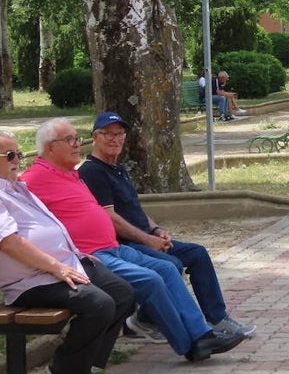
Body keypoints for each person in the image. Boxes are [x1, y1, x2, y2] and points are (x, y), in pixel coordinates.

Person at [22, 118, 248, 362]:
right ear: (49, 147)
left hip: (113, 247)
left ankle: (202, 334)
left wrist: (155, 229)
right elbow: (14, 206)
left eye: (76, 138)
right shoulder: (35, 178)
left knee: (167, 268)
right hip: (91, 255)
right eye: (69, 140)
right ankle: (192, 345)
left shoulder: (71, 174)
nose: (77, 144)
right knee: (152, 278)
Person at [0, 130, 136, 374]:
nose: (17, 160)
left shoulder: (12, 186)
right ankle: (64, 370)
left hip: (62, 264)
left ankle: (85, 363)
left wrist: (73, 254)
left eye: (18, 154)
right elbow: (10, 243)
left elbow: (45, 224)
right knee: (99, 304)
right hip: (31, 281)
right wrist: (57, 267)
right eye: (10, 155)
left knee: (123, 293)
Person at [79, 112, 256, 340]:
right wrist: (148, 240)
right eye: (107, 134)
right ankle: (147, 320)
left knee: (197, 254)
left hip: (143, 237)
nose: (115, 139)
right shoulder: (92, 171)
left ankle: (217, 319)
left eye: (119, 134)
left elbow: (135, 209)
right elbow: (109, 218)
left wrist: (156, 230)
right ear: (94, 136)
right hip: (125, 245)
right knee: (170, 265)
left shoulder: (117, 168)